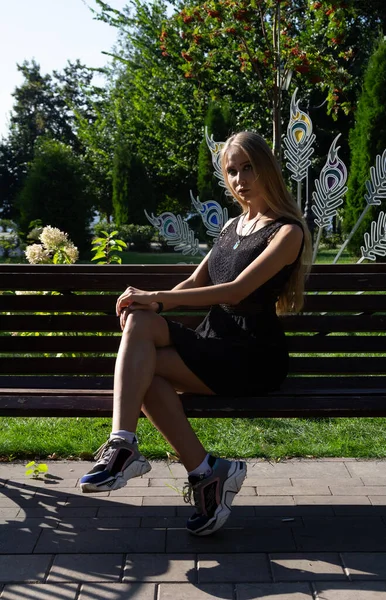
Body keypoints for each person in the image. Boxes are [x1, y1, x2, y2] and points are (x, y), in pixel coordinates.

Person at [79, 131, 312, 537]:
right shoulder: (235, 226)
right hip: (216, 344)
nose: (240, 180)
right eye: (232, 171)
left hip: (252, 355)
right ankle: (199, 470)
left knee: (145, 324)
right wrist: (150, 302)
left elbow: (236, 290)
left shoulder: (287, 232)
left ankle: (133, 451)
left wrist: (157, 297)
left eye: (248, 168)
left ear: (267, 169)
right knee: (141, 334)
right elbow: (194, 280)